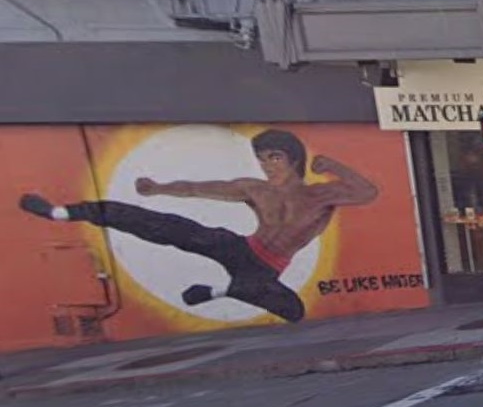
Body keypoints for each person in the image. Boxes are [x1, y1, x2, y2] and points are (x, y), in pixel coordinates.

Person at [19, 129, 377, 322]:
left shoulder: (321, 196)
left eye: (275, 158)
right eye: (263, 159)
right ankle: (64, 213)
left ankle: (224, 292)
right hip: (241, 248)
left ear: (293, 159)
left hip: (266, 271)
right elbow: (198, 189)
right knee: (170, 228)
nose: (268, 166)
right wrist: (158, 189)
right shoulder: (255, 189)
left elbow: (367, 192)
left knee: (293, 312)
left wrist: (334, 165)